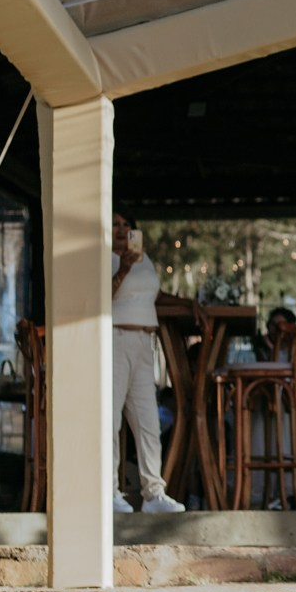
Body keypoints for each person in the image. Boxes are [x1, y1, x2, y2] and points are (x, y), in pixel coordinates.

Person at [111, 210, 184, 516]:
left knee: (148, 421)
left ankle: (154, 493)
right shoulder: (101, 257)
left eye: (127, 224)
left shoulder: (145, 257)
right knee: (110, 419)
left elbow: (155, 295)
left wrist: (191, 305)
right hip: (115, 338)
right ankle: (107, 492)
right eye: (115, 224)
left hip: (145, 343)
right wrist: (123, 270)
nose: (122, 230)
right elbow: (99, 296)